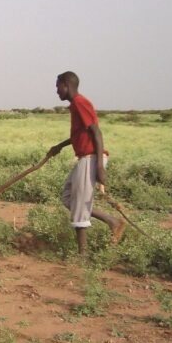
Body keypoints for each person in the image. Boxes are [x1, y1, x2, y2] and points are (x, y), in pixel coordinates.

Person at [47, 71, 126, 255]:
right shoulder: (75, 105)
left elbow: (96, 132)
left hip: (91, 158)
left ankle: (83, 255)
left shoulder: (80, 103)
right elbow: (80, 134)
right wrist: (59, 146)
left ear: (66, 84)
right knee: (68, 197)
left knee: (80, 206)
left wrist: (99, 166)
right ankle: (112, 221)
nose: (56, 90)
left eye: (57, 86)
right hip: (86, 158)